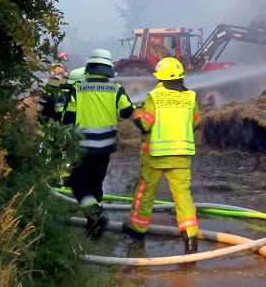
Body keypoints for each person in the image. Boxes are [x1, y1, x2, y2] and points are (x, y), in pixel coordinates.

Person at [123, 57, 201, 254]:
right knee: (183, 197)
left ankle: (138, 230)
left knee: (145, 192)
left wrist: (136, 115)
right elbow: (195, 124)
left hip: (155, 156)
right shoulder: (191, 97)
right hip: (181, 156)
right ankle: (191, 239)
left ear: (161, 78)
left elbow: (145, 123)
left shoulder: (154, 97)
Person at [62, 49, 135, 240]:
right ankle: (93, 228)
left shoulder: (77, 89)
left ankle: (96, 218)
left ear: (90, 67)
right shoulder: (116, 88)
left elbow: (68, 119)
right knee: (96, 186)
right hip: (105, 147)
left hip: (82, 146)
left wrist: (65, 142)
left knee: (78, 184)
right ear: (107, 69)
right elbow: (127, 112)